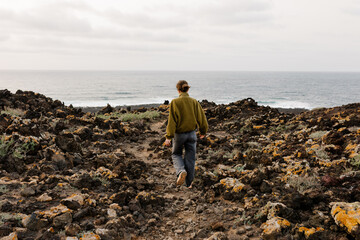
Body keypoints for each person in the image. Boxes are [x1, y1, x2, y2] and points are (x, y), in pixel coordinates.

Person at [164, 80, 208, 188]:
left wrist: (168, 137)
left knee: (176, 154)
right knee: (190, 158)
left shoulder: (175, 102)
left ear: (178, 90)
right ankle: (189, 184)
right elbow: (201, 118)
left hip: (179, 135)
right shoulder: (194, 102)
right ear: (187, 89)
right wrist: (202, 132)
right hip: (192, 134)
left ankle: (181, 171)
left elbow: (172, 121)